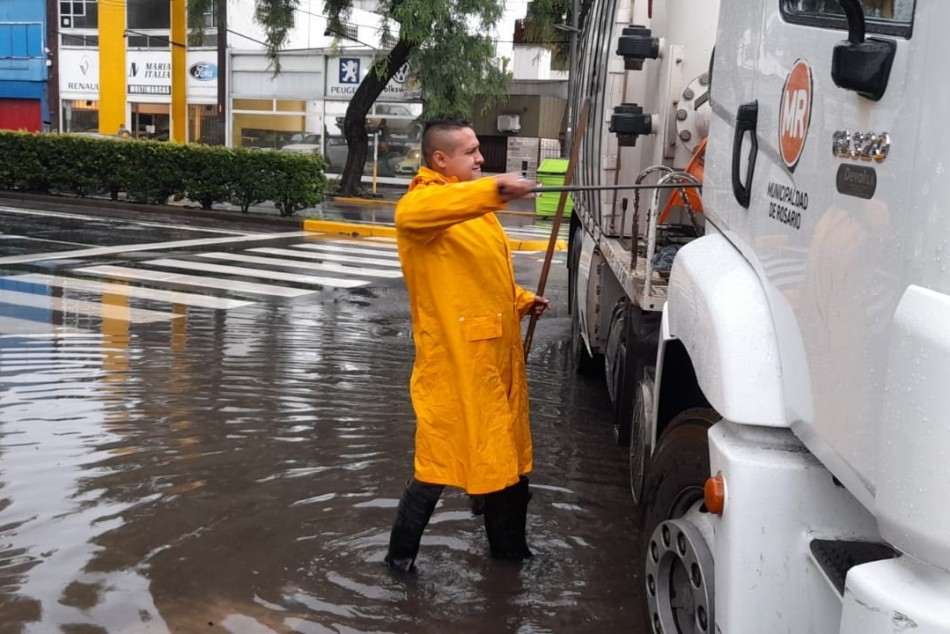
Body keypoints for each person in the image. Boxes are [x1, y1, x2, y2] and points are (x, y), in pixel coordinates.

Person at [385, 117, 550, 573]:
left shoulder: (473, 210)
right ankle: (399, 564)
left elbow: (476, 277)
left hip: (495, 361)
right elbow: (420, 212)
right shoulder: (421, 208)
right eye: (471, 151)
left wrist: (520, 300)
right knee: (436, 468)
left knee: (508, 463)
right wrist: (498, 188)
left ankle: (511, 557)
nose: (481, 158)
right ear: (440, 160)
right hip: (456, 366)